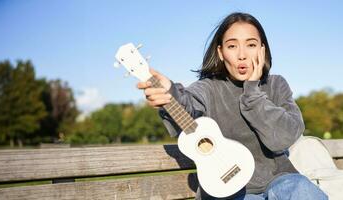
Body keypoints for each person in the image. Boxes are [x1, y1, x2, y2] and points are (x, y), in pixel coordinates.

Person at [137, 12, 328, 200]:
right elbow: (188, 106)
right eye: (232, 46)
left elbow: (284, 139)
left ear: (262, 49)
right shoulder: (208, 88)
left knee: (302, 190)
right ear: (220, 52)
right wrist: (170, 93)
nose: (242, 55)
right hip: (228, 191)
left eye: (251, 45)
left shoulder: (276, 84)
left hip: (279, 179)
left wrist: (252, 92)